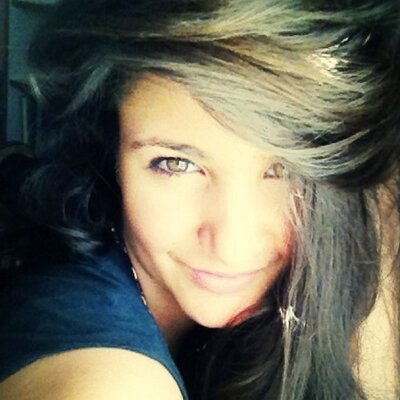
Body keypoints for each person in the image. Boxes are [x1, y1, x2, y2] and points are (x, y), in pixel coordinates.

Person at [0, 0, 399, 399]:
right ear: (112, 151)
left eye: (285, 170)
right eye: (177, 164)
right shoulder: (101, 377)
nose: (231, 247)